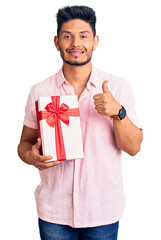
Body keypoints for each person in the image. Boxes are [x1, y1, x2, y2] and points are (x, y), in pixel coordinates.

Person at [18, 5, 143, 240]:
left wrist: (119, 112)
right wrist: (31, 156)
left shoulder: (118, 88)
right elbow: (24, 143)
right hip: (54, 212)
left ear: (95, 41)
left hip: (102, 211)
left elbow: (134, 148)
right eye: (68, 36)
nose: (76, 43)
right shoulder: (40, 91)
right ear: (57, 42)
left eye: (83, 36)